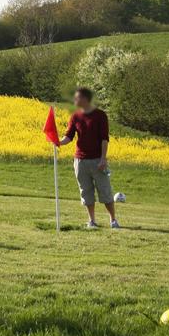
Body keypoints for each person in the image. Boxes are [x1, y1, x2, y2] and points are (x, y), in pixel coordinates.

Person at [60, 87, 120, 229]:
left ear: (85, 99)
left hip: (97, 160)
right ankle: (92, 221)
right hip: (80, 161)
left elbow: (104, 139)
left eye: (77, 98)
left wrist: (103, 158)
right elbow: (69, 136)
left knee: (105, 191)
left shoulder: (100, 115)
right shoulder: (75, 116)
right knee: (86, 192)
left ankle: (113, 220)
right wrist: (59, 142)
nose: (75, 100)